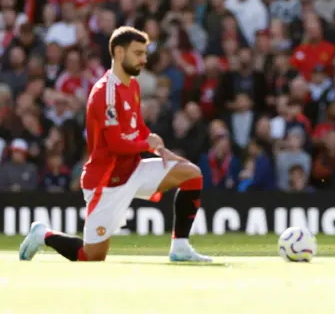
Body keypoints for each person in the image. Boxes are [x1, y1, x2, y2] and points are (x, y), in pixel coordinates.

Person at [19, 27, 211, 262]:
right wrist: (145, 143)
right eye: (138, 53)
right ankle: (43, 235)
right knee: (91, 256)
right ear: (119, 53)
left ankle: (180, 248)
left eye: (144, 53)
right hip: (106, 181)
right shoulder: (105, 92)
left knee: (192, 175)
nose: (144, 59)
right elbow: (115, 144)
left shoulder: (133, 86)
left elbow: (138, 127)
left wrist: (158, 148)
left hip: (132, 170)